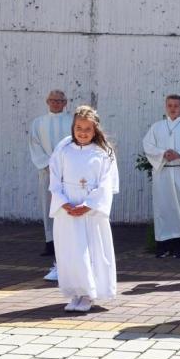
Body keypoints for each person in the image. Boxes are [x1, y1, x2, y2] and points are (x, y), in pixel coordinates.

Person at [49, 106, 119, 312]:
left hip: (91, 211)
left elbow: (106, 184)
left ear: (95, 129)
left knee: (90, 251)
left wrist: (88, 205)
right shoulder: (63, 148)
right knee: (71, 252)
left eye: (87, 129)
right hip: (67, 209)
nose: (82, 132)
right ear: (73, 127)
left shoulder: (104, 152)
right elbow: (54, 177)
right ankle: (76, 292)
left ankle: (89, 293)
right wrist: (63, 202)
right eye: (79, 128)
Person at [143, 94, 180, 258]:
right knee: (163, 209)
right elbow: (148, 145)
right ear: (165, 107)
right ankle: (163, 246)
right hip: (162, 171)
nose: (173, 108)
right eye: (170, 105)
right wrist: (163, 153)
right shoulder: (156, 127)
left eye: (176, 105)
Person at [29, 90, 73, 281]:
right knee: (49, 205)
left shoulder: (73, 121)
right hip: (47, 170)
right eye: (53, 100)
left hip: (69, 172)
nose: (56, 103)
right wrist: (47, 164)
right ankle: (50, 242)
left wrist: (66, 165)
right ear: (47, 101)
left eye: (59, 101)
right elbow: (34, 144)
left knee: (67, 205)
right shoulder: (38, 123)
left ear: (65, 102)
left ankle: (66, 242)